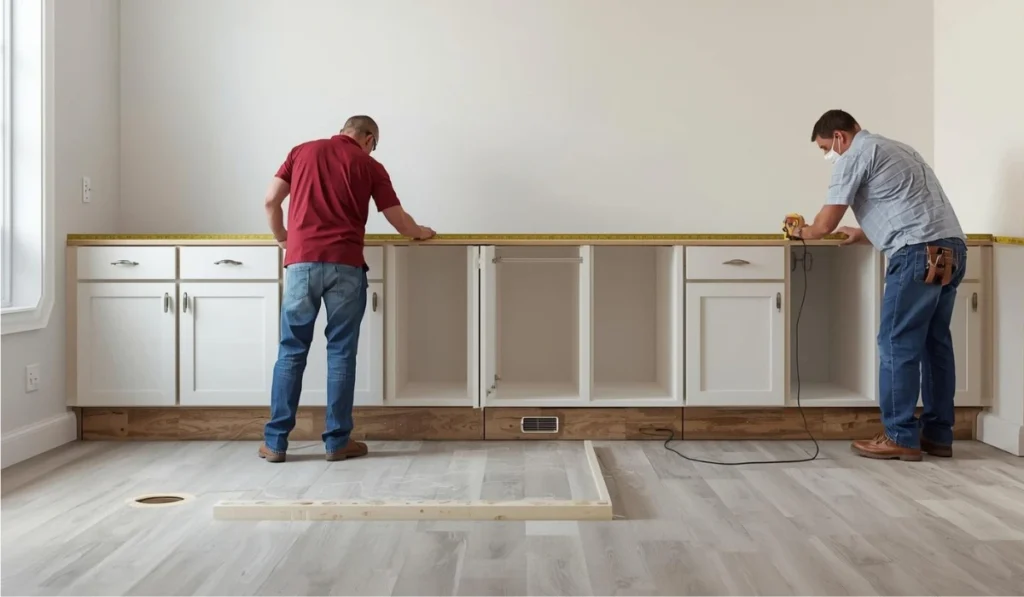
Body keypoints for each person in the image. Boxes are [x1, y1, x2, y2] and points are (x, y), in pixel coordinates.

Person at [792, 109, 967, 461]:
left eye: (827, 147)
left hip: (916, 253)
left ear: (840, 136)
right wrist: (867, 232)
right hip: (949, 250)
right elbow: (911, 207)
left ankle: (900, 435)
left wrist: (801, 231)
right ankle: (937, 434)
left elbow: (825, 223)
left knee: (896, 342)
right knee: (935, 343)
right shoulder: (899, 149)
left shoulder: (855, 153)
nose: (830, 155)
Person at [260, 115, 435, 463]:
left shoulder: (301, 152)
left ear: (343, 131)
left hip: (301, 264)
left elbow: (270, 201)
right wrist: (421, 232)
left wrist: (283, 238)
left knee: (291, 351)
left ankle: (276, 442)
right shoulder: (369, 166)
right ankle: (337, 442)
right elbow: (397, 217)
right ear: (368, 138)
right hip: (345, 265)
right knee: (340, 353)